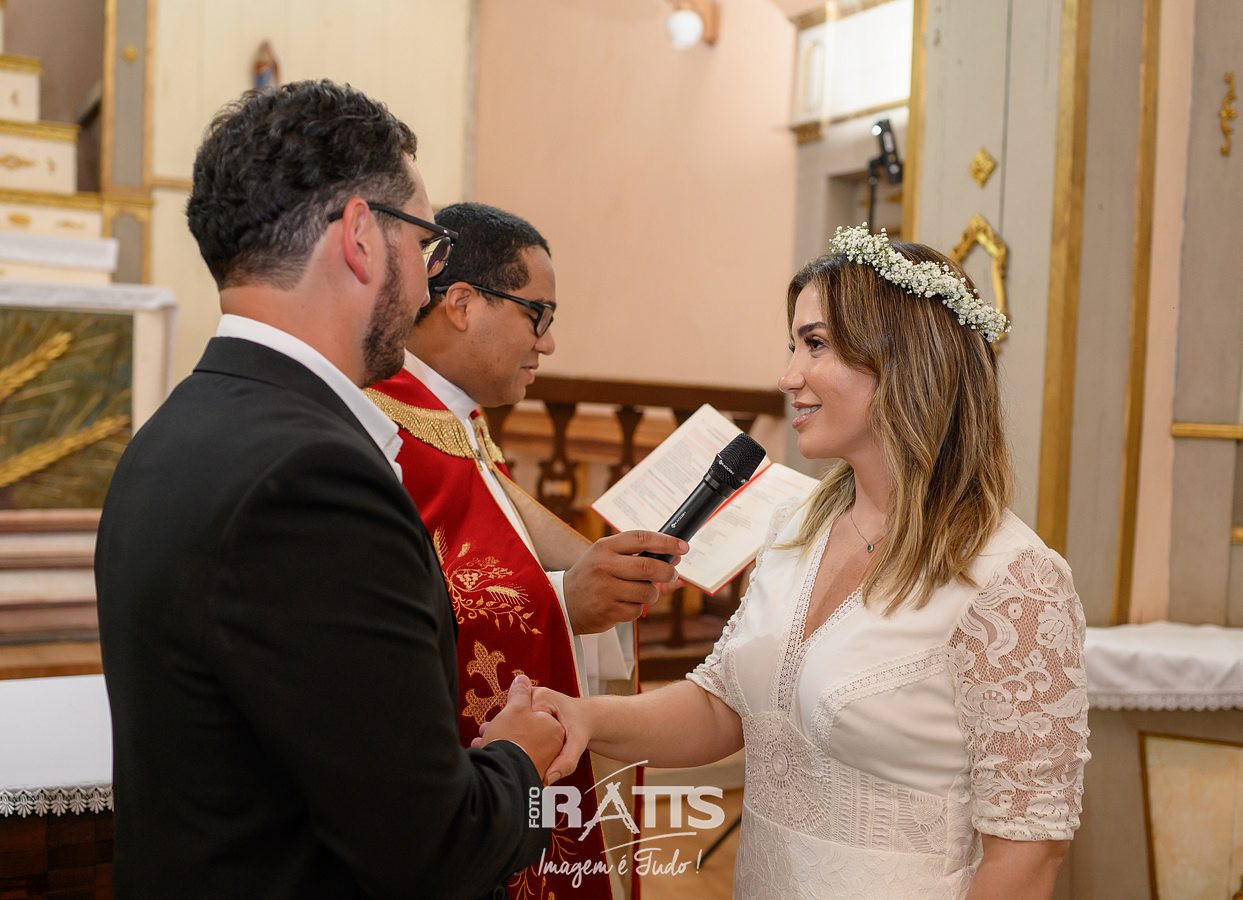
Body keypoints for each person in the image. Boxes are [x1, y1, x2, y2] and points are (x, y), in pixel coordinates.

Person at [95, 81, 563, 899]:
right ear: (360, 237)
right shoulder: (312, 480)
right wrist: (522, 760)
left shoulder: (172, 431)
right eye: (424, 243)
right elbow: (430, 848)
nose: (426, 284)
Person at [527, 226, 1091, 899]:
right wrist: (586, 719)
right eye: (792, 345)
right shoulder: (795, 527)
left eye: (815, 344)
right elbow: (726, 707)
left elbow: (1028, 852)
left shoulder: (1010, 581)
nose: (788, 375)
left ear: (904, 359)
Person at [366, 201, 685, 899]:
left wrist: (607, 569)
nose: (548, 343)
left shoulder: (452, 419)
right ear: (461, 304)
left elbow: (503, 543)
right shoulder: (381, 421)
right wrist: (566, 601)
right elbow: (401, 616)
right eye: (537, 315)